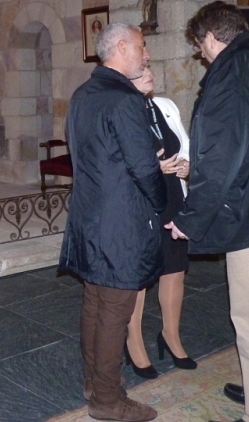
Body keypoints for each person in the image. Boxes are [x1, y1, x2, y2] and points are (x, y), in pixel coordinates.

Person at [58, 23, 166, 422]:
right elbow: (143, 167)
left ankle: (94, 383)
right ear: (121, 47)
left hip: (89, 217)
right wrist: (162, 206)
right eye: (142, 45)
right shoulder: (124, 100)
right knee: (115, 310)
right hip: (121, 223)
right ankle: (107, 399)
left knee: (96, 302)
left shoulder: (84, 94)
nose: (147, 53)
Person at [166, 1, 249, 422]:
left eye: (199, 45)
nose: (200, 54)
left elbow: (223, 158)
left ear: (210, 36)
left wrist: (191, 218)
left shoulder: (232, 75)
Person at [125, 67, 195, 379]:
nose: (150, 73)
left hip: (174, 198)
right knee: (140, 275)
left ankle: (171, 336)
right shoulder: (122, 110)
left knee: (174, 270)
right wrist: (154, 167)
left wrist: (186, 166)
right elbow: (120, 159)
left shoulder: (166, 106)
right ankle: (133, 341)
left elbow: (185, 143)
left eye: (150, 68)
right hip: (142, 201)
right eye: (141, 70)